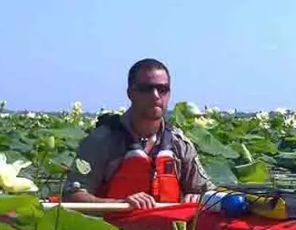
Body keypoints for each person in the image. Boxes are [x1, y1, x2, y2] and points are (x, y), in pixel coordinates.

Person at [63, 58, 216, 208]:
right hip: (113, 229)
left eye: (162, 89)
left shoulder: (179, 144)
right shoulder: (100, 141)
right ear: (130, 93)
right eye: (146, 89)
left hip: (166, 229)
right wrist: (120, 204)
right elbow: (71, 195)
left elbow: (210, 192)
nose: (155, 95)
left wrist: (198, 197)